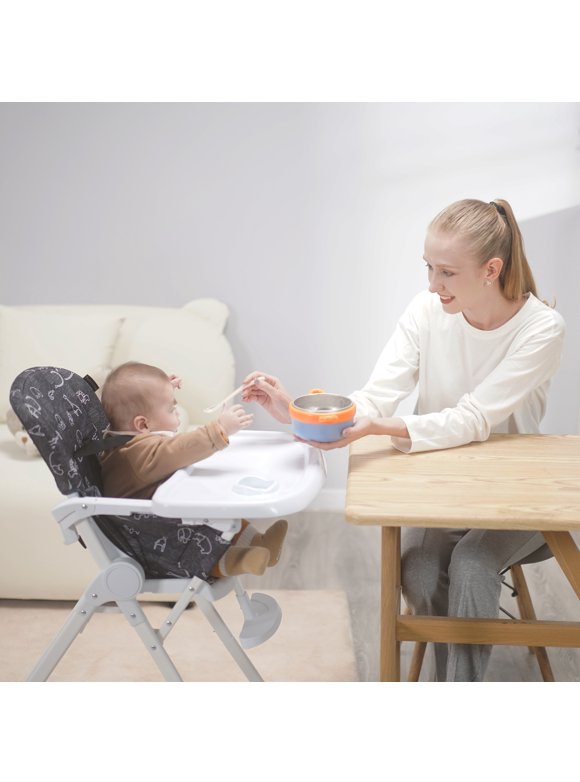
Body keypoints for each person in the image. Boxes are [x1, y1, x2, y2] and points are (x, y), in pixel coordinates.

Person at [242, 198, 566, 681]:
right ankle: (451, 679)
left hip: (518, 496)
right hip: (441, 484)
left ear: (491, 270)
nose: (432, 285)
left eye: (447, 272)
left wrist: (380, 429)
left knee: (474, 564)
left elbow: (474, 418)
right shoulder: (426, 311)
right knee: (415, 570)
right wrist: (299, 415)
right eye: (429, 268)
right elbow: (377, 397)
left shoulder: (541, 328)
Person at [100, 361, 288, 579]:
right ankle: (238, 560)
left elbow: (148, 424)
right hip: (156, 539)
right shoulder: (137, 455)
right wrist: (221, 429)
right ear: (142, 425)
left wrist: (160, 392)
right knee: (209, 520)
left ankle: (259, 542)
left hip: (162, 520)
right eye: (172, 409)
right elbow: (178, 449)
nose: (178, 414)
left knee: (218, 510)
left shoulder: (130, 442)